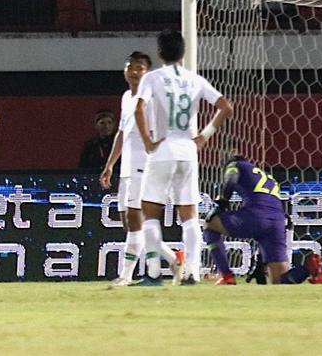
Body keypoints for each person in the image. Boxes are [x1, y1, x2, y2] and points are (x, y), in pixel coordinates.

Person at [132, 29, 232, 287]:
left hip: (163, 149)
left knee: (150, 213)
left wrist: (147, 141)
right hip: (188, 151)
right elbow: (225, 107)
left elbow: (139, 108)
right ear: (183, 52)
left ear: (160, 53)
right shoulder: (194, 79)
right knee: (189, 216)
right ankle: (193, 272)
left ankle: (154, 274)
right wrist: (204, 136)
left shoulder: (152, 78)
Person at [99, 51, 183, 286]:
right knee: (129, 223)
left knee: (137, 221)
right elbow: (123, 133)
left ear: (148, 73)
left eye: (139, 68)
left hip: (145, 167)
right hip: (127, 168)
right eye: (130, 67)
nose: (134, 72)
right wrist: (110, 165)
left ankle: (128, 276)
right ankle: (172, 258)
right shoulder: (127, 97)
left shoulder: (153, 100)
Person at [204, 154, 322, 285]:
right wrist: (260, 263)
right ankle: (310, 268)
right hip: (277, 223)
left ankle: (226, 276)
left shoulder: (235, 165)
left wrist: (222, 201)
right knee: (280, 281)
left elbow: (231, 178)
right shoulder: (268, 177)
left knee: (210, 224)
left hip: (255, 216)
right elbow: (262, 231)